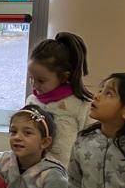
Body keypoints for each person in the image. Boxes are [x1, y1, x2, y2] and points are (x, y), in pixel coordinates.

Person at [26, 31, 92, 166]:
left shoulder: (80, 105)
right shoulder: (32, 101)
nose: (34, 85)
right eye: (31, 78)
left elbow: (90, 143)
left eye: (41, 80)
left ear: (64, 77)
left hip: (65, 174)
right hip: (33, 172)